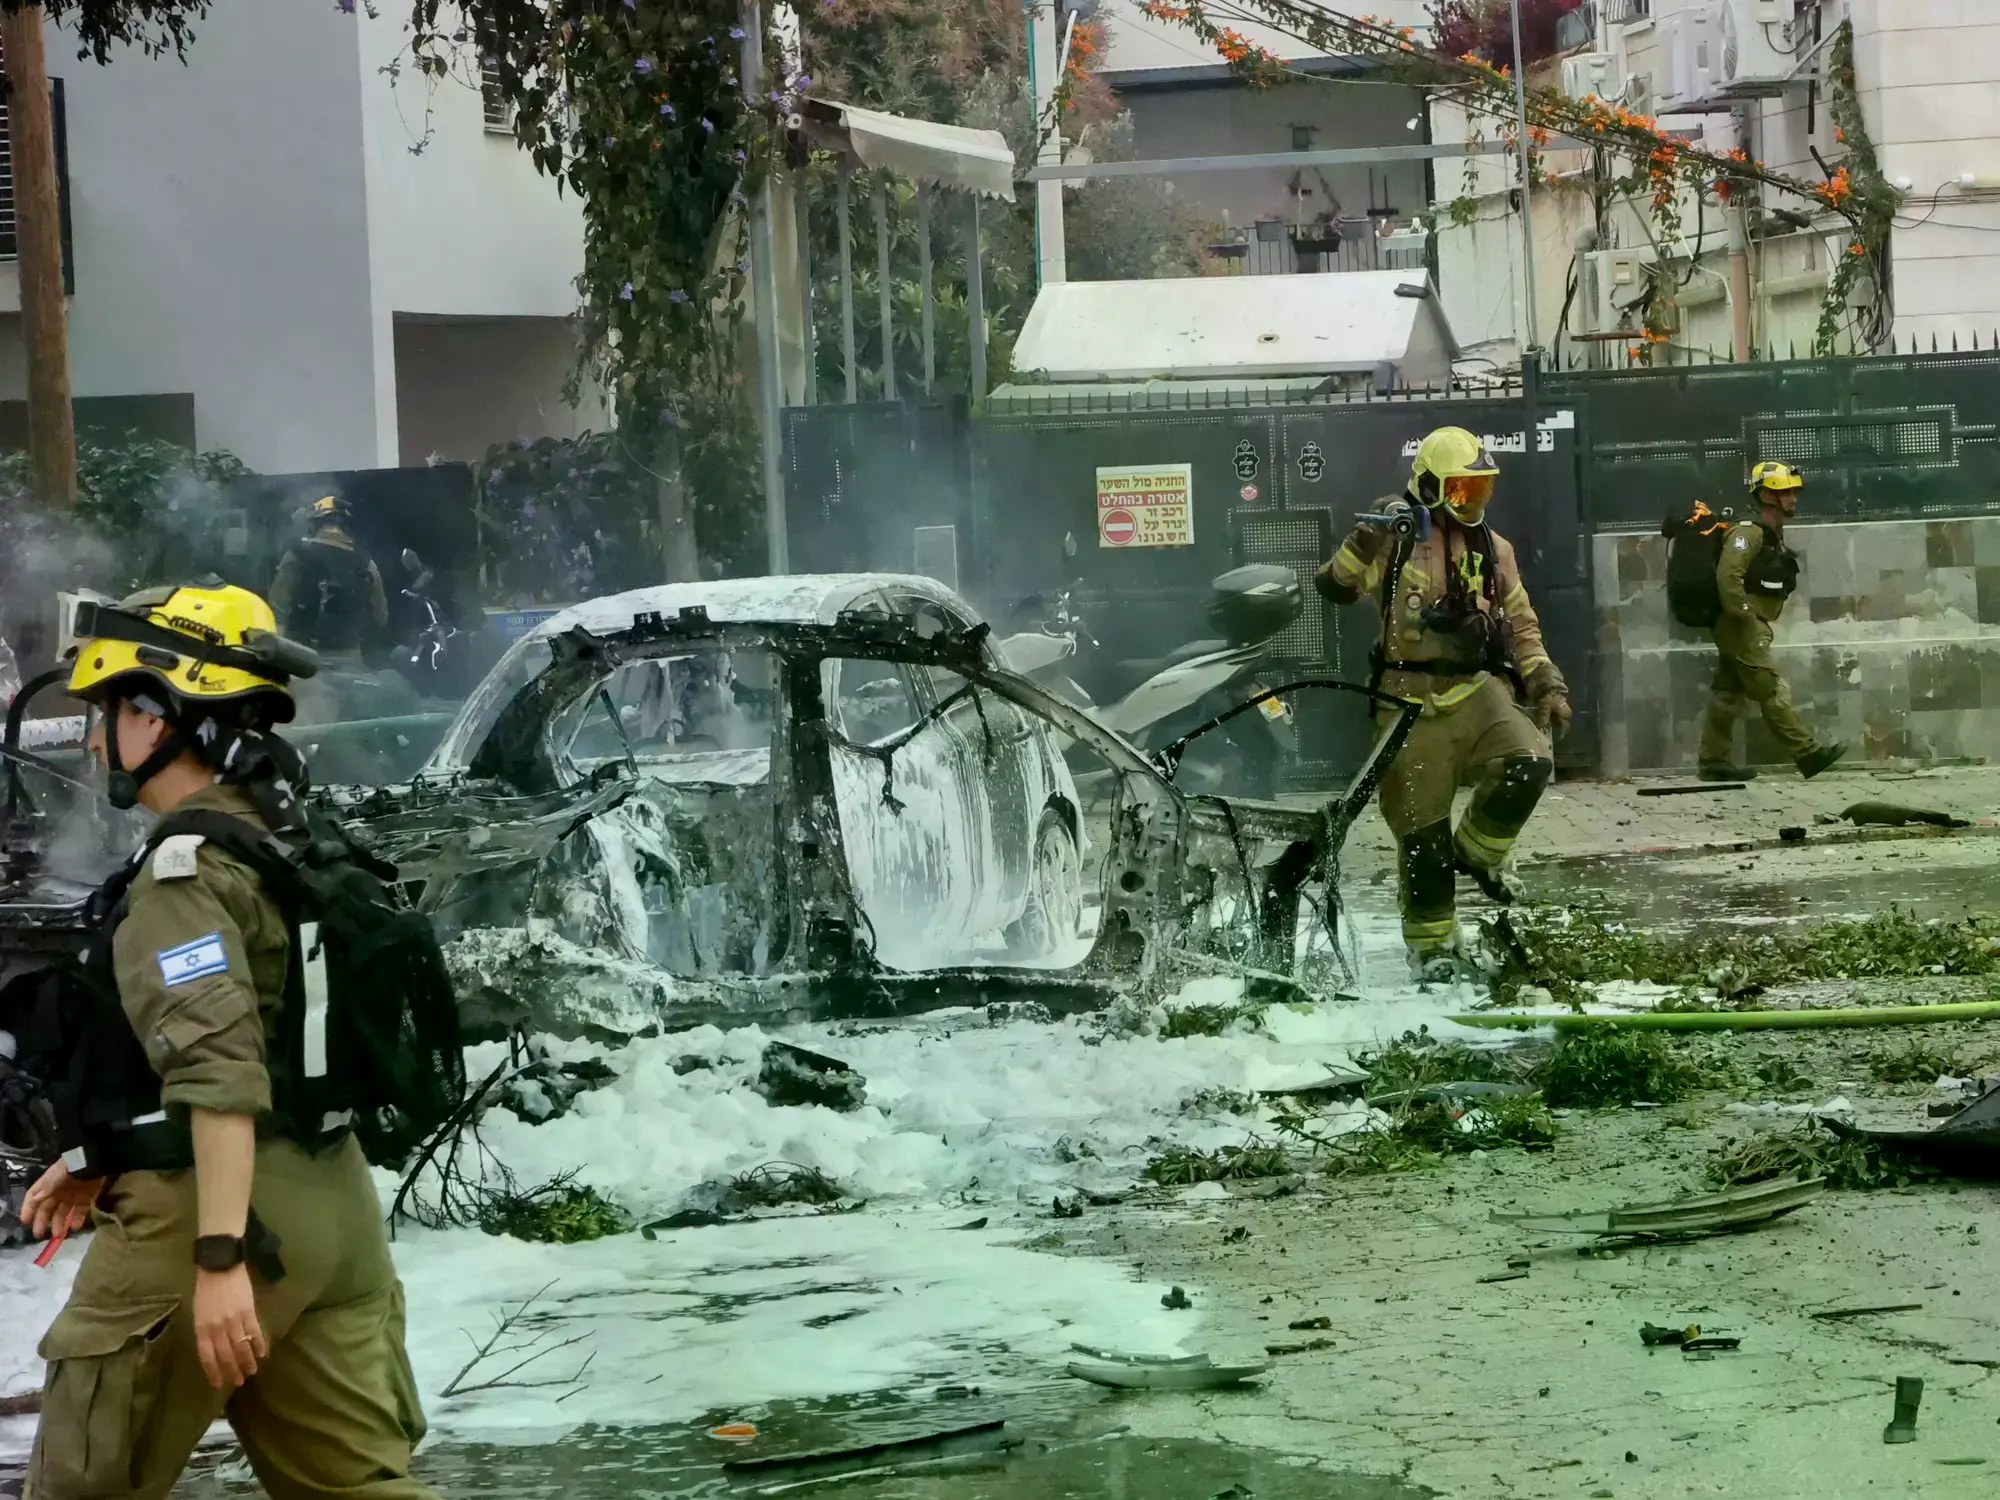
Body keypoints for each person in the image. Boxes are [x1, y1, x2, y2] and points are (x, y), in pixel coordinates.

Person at [19, 581, 436, 1500]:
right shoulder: (294, 842)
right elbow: (271, 1037)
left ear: (164, 712)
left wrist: (216, 1259)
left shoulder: (183, 875)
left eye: (108, 710)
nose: (94, 739)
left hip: (214, 1216)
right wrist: (103, 1152)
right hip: (334, 1208)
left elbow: (219, 1075)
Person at [1317, 426, 1572, 984]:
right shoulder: (1395, 537)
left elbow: (1522, 626)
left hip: (1477, 688)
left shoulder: (1493, 549)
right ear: (1428, 486)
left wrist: (1547, 685)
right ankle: (1432, 950)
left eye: (1480, 490)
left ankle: (1479, 856)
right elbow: (1333, 587)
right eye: (1459, 490)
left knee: (1529, 761)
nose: (1471, 502)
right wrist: (1364, 540)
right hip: (1406, 698)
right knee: (1422, 839)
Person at [1697, 462, 1846, 782]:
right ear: (1766, 495)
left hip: (1740, 624)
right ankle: (1807, 754)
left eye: (1793, 491)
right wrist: (1746, 615)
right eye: (1784, 492)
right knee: (1771, 689)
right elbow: (1728, 576)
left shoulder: (1769, 531)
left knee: (1727, 692)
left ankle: (1713, 761)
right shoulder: (1748, 532)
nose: (1792, 498)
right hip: (1740, 625)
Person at [268, 495, 389, 659]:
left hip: (302, 657)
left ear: (314, 524)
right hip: (349, 657)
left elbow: (278, 609)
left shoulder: (297, 555)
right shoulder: (367, 563)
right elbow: (381, 618)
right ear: (345, 526)